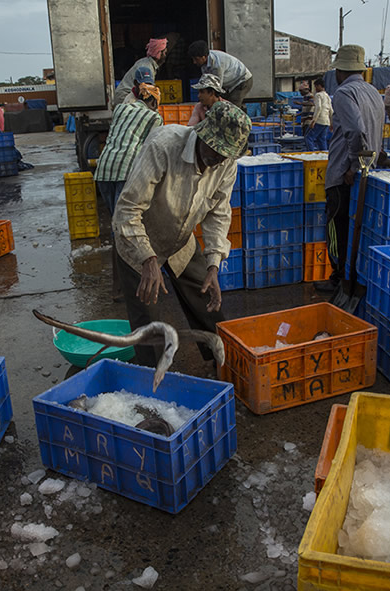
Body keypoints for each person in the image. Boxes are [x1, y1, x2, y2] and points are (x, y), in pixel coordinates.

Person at [112, 102, 251, 367]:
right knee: (149, 321)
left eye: (226, 154)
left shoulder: (225, 162)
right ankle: (154, 385)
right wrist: (147, 259)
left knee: (207, 297)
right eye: (216, 150)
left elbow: (218, 212)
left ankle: (224, 365)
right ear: (202, 134)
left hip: (180, 239)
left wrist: (213, 263)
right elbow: (127, 210)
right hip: (138, 236)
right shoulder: (163, 146)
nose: (219, 159)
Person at [318, 44, 384, 293]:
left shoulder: (344, 93)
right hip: (368, 173)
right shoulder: (373, 93)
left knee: (336, 225)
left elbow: (356, 131)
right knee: (354, 226)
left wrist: (352, 165)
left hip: (343, 174)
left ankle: (337, 277)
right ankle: (350, 275)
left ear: (340, 71)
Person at [94, 84, 163, 214]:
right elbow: (153, 148)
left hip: (104, 169)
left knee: (115, 216)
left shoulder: (120, 109)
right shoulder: (154, 117)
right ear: (154, 102)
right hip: (126, 171)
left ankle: (116, 233)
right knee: (124, 218)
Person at [188, 41, 253, 108]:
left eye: (196, 59)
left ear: (204, 57)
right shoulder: (204, 64)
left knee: (232, 106)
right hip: (229, 82)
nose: (194, 62)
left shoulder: (217, 65)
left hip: (242, 80)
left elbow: (216, 88)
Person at [114, 38, 168, 106]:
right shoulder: (146, 67)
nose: (165, 56)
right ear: (159, 54)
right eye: (164, 53)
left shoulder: (148, 64)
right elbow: (145, 92)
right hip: (124, 98)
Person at [305, 78, 332, 151]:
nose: (315, 89)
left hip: (319, 120)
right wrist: (331, 123)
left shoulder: (318, 95)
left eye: (316, 86)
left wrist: (314, 121)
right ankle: (324, 157)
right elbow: (331, 110)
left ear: (320, 86)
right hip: (326, 122)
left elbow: (318, 107)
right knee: (322, 139)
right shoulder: (327, 96)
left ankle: (311, 155)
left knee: (308, 138)